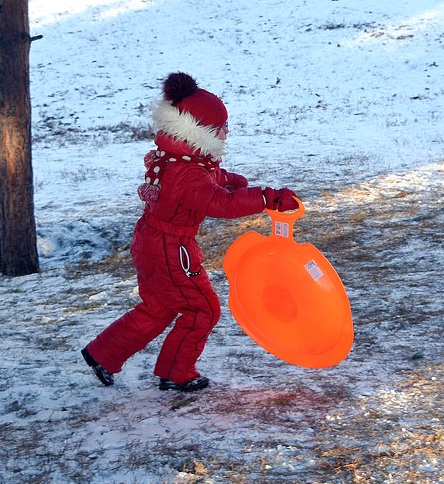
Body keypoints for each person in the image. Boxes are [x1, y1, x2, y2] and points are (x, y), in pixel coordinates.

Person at [81, 72, 298, 392]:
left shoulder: (179, 157)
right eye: (220, 128)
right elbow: (219, 203)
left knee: (159, 307)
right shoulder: (188, 172)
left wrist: (231, 180)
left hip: (153, 241)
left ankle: (104, 353)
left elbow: (209, 179)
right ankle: (176, 372)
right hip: (171, 248)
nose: (226, 133)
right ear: (198, 132)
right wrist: (266, 197)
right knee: (203, 310)